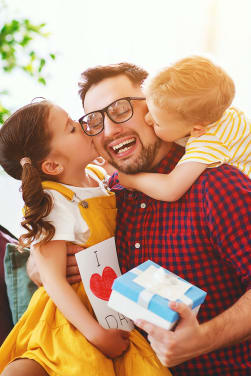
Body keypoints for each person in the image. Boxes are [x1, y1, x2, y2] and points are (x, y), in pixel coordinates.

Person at [26, 63, 250, 375]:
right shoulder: (107, 197)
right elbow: (49, 239)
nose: (109, 130)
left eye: (120, 109)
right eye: (94, 121)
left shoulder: (217, 185)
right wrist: (38, 264)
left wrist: (204, 339)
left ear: (155, 106)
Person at [0, 100, 171, 376]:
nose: (82, 124)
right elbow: (54, 280)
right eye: (71, 128)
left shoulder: (96, 176)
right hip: (74, 315)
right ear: (53, 165)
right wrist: (96, 334)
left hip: (109, 304)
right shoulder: (53, 201)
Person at [117, 56, 251, 201]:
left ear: (197, 130)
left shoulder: (209, 142)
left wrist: (132, 180)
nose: (147, 119)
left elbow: (170, 189)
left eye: (157, 123)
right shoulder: (224, 113)